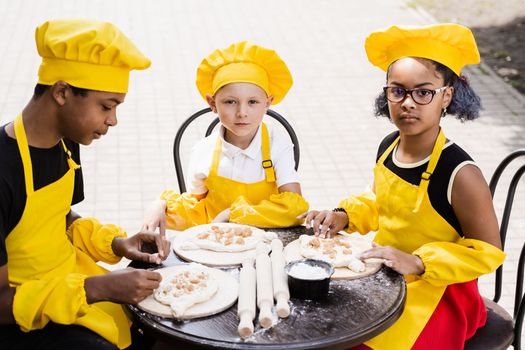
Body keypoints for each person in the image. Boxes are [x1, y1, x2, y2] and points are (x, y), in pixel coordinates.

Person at [300, 23, 506, 349]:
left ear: (447, 97)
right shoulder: (388, 146)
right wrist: (345, 215)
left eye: (423, 92)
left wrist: (422, 262)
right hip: (387, 275)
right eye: (398, 91)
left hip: (441, 292)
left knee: (359, 343)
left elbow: (489, 253)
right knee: (317, 320)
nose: (408, 103)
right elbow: (381, 200)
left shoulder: (460, 173)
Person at [0, 19, 171, 350]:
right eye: (106, 106)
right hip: (23, 318)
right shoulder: (3, 171)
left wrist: (117, 244)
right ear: (62, 92)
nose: (113, 120)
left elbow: (58, 218)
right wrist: (98, 288)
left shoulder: (66, 142)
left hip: (70, 284)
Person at [143, 41, 309, 233]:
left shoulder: (277, 146)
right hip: (217, 240)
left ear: (267, 103)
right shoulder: (203, 151)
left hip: (267, 240)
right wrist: (161, 205)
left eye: (253, 102)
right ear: (212, 104)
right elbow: (195, 209)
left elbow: (295, 209)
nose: (242, 112)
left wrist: (233, 214)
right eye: (230, 102)